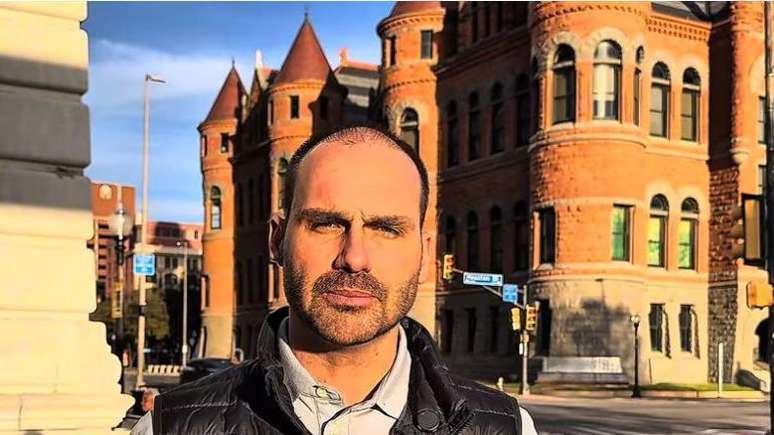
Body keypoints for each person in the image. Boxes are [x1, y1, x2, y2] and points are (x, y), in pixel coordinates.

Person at [131, 125, 537, 434]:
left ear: (425, 254)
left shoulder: (507, 428)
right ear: (277, 240)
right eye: (326, 224)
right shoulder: (168, 427)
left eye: (386, 229)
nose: (354, 258)